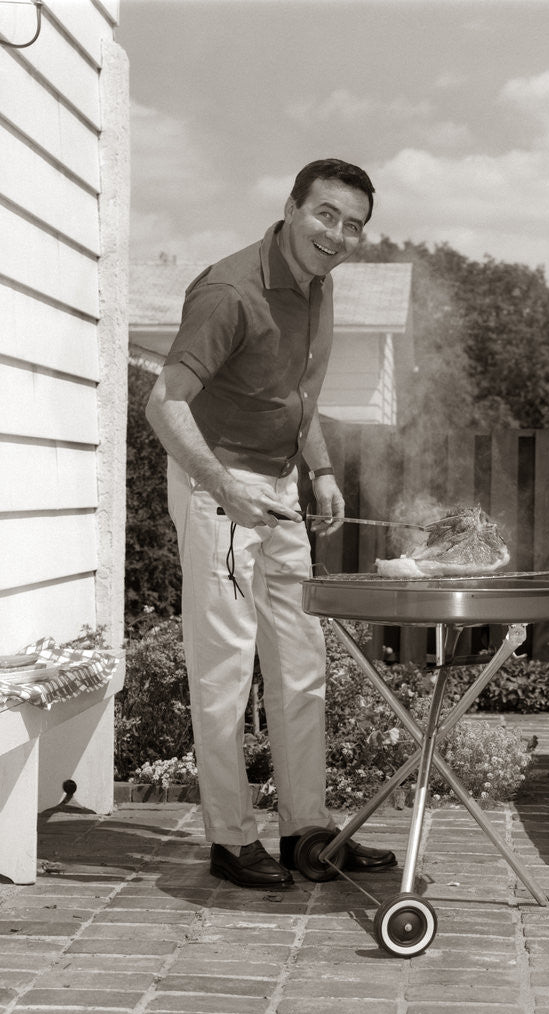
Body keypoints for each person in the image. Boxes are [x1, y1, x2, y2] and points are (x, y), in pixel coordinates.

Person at [145, 158, 396, 888]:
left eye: (354, 225)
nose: (338, 234)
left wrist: (318, 469)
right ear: (290, 208)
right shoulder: (231, 290)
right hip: (216, 487)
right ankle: (229, 840)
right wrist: (226, 487)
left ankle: (306, 832)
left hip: (281, 486)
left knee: (301, 662)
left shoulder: (319, 287)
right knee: (225, 668)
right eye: (326, 215)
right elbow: (165, 402)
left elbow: (297, 396)